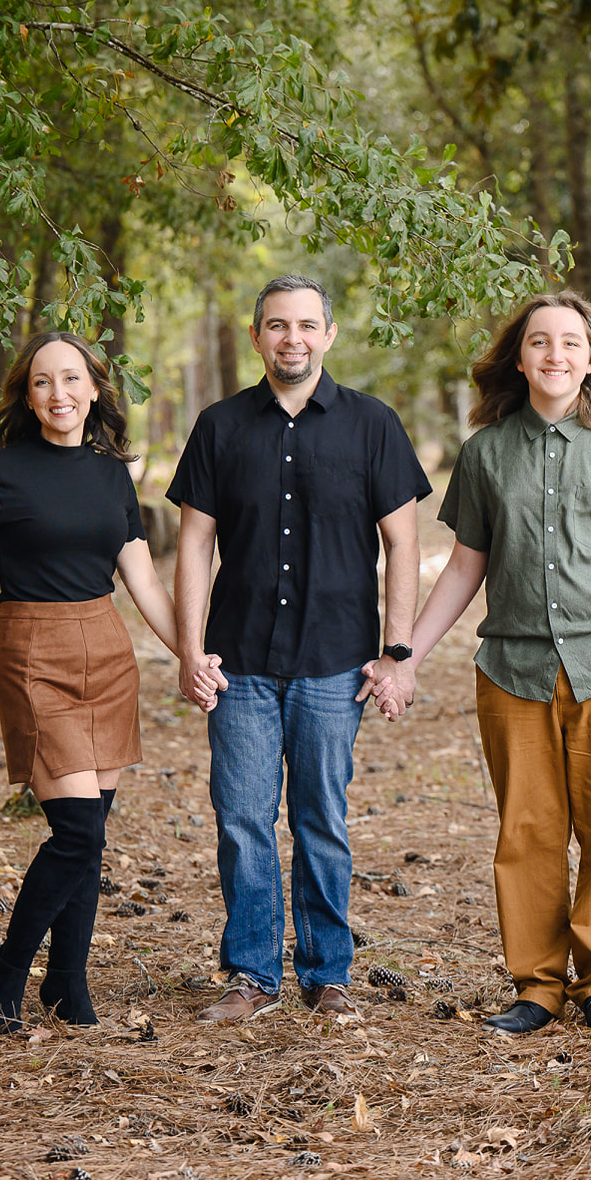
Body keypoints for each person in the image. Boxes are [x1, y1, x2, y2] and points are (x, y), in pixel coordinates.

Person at [367, 291, 591, 1035]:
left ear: (590, 360)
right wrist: (403, 658)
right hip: (513, 670)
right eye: (539, 341)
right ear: (520, 358)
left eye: (570, 342)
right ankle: (537, 986)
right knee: (526, 830)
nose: (555, 354)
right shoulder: (486, 453)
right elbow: (465, 567)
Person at [0, 330, 208, 1030]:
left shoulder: (112, 474)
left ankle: (67, 983)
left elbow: (143, 580)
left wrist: (191, 654)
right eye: (42, 381)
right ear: (28, 397)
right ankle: (6, 971)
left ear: (93, 389)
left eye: (70, 379)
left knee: (90, 834)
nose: (57, 393)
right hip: (33, 650)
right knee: (77, 833)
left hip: (108, 651)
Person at [168, 275, 430, 1022]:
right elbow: (194, 547)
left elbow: (403, 543)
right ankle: (251, 975)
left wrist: (398, 651)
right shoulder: (219, 426)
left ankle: (327, 974)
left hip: (335, 663)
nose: (293, 338)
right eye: (278, 325)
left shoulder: (373, 424)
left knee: (322, 820)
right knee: (242, 820)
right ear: (257, 336)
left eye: (307, 325)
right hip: (239, 662)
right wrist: (189, 650)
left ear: (329, 334)